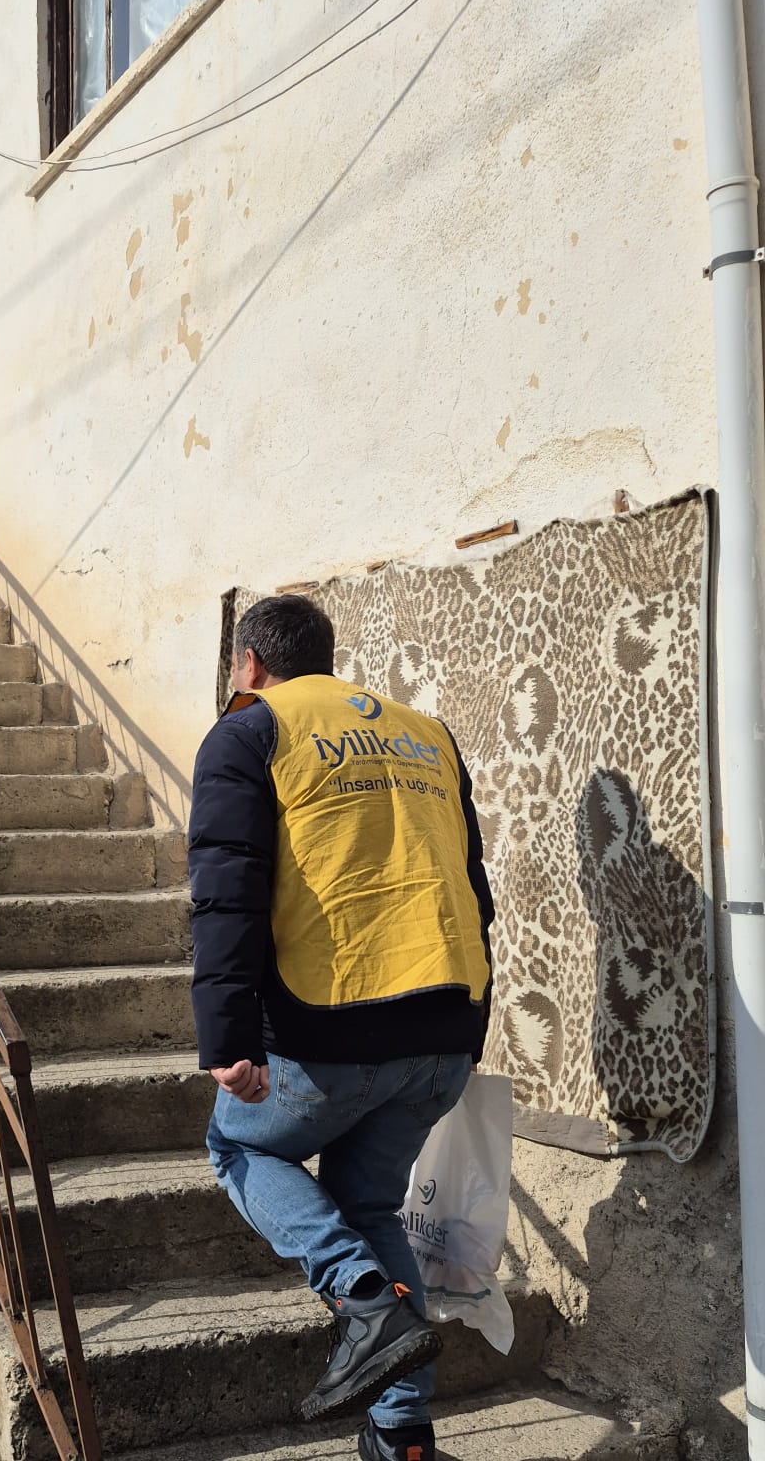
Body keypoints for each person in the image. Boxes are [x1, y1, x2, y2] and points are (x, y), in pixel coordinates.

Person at [189, 594, 495, 1461]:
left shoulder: (249, 732)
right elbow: (475, 891)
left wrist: (227, 1040)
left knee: (238, 1146)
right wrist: (471, 1027)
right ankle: (402, 1437)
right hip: (444, 1024)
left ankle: (361, 1300)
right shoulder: (427, 735)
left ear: (249, 664)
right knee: (368, 1203)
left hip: (331, 1026)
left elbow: (227, 894)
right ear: (326, 658)